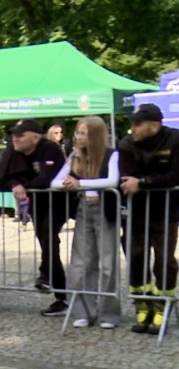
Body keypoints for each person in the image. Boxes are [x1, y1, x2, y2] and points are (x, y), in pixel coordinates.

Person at [0, 118, 67, 317]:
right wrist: (16, 183)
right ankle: (60, 294)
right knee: (46, 241)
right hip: (39, 202)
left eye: (20, 135)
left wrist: (23, 183)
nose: (15, 138)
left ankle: (47, 277)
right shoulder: (15, 151)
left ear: (35, 137)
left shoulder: (50, 148)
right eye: (13, 134)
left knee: (50, 237)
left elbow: (45, 179)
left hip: (60, 201)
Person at [51, 116, 121, 329]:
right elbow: (55, 182)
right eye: (78, 133)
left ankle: (109, 313)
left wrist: (80, 182)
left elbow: (112, 180)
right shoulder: (75, 156)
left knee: (108, 263)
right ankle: (83, 311)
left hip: (105, 210)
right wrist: (69, 184)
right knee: (81, 263)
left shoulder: (111, 154)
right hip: (83, 209)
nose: (78, 137)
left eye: (83, 133)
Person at [118, 103, 179, 334]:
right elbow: (126, 177)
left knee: (164, 258)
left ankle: (162, 304)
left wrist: (143, 182)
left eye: (137, 124)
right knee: (135, 256)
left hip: (166, 211)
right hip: (136, 211)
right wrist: (151, 180)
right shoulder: (126, 144)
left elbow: (175, 175)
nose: (132, 128)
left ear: (155, 125)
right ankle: (141, 304)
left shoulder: (174, 139)